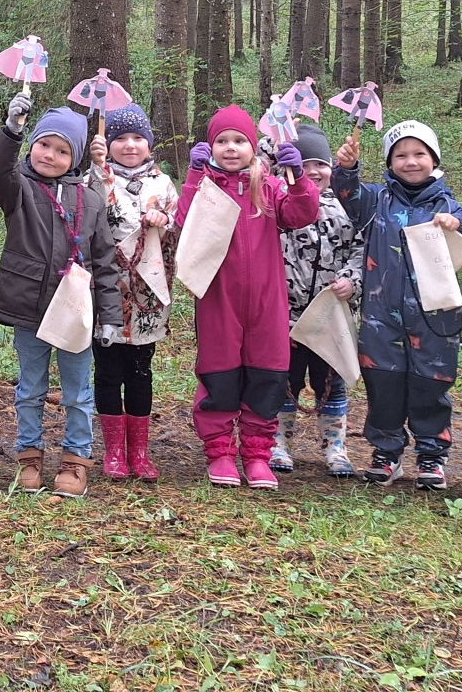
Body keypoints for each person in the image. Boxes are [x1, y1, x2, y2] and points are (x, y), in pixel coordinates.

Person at [333, 120, 462, 490]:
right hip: (381, 315)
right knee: (382, 383)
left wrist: (456, 223)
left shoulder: (448, 204)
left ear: (434, 159)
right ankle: (386, 453)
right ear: (389, 162)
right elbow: (346, 193)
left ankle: (432, 456)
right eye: (401, 155)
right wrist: (346, 168)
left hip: (435, 318)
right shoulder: (376, 201)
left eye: (420, 154)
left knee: (431, 384)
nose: (411, 161)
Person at [0, 95, 121, 498]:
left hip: (76, 310)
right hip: (29, 307)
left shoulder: (91, 200)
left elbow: (105, 262)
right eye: (44, 144)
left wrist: (109, 316)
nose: (50, 154)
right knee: (30, 387)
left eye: (62, 150)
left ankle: (76, 460)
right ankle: (29, 457)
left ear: (75, 157)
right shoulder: (19, 189)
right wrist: (12, 129)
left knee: (78, 390)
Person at [175, 107, 318, 489]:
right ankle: (220, 452)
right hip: (218, 298)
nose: (231, 148)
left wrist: (299, 177)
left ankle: (257, 455)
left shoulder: (268, 187)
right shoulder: (206, 186)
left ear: (253, 148)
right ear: (211, 147)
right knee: (219, 372)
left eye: (239, 141)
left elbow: (302, 213)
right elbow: (183, 223)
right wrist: (193, 176)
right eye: (222, 141)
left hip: (267, 302)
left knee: (267, 373)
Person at [85, 105, 178, 482]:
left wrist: (163, 221)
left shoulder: (163, 183)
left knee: (141, 370)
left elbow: (177, 226)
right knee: (107, 371)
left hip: (147, 294)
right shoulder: (96, 177)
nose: (129, 145)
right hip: (106, 290)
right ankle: (112, 451)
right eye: (120, 138)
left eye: (138, 137)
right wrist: (97, 167)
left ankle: (139, 452)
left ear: (149, 144)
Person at [273, 123, 364, 477]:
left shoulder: (350, 206)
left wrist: (352, 281)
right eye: (304, 164)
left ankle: (335, 447)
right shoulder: (281, 202)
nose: (312, 171)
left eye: (320, 164)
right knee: (286, 381)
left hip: (333, 313)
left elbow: (362, 250)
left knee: (331, 381)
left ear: (332, 167)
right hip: (289, 313)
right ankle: (279, 442)